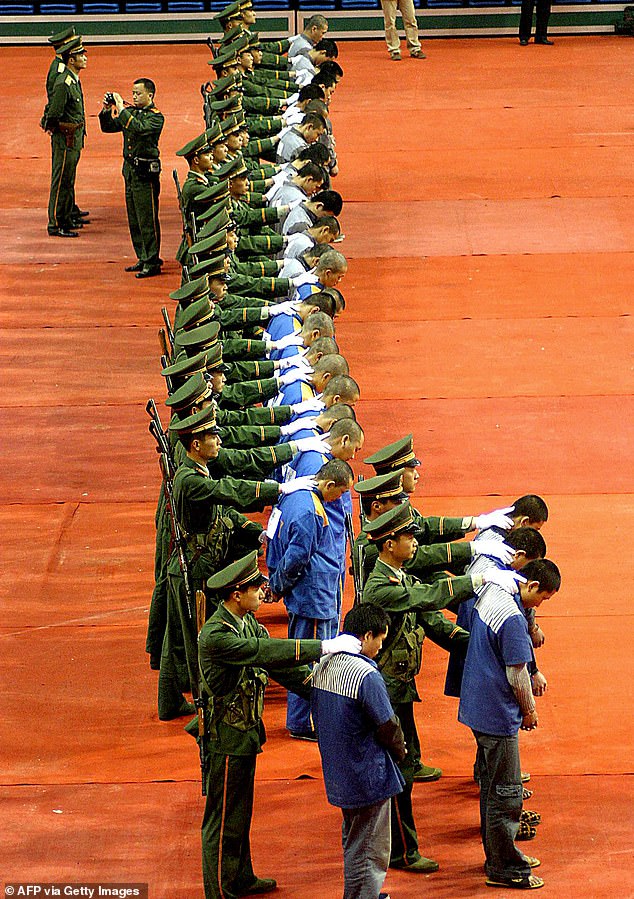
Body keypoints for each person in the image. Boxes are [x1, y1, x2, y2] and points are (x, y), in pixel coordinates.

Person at [362, 502, 525, 874]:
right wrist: (476, 581)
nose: (415, 543)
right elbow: (427, 597)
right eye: (409, 537)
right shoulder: (382, 586)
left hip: (398, 685)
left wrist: (475, 644)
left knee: (404, 765)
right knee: (397, 770)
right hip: (386, 688)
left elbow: (431, 619)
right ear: (389, 544)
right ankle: (401, 851)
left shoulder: (397, 574)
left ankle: (400, 846)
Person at [197, 551, 361, 899]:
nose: (262, 591)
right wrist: (322, 646)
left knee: (240, 813)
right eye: (255, 587)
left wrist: (321, 690)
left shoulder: (246, 623)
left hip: (243, 732)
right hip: (225, 737)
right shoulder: (218, 636)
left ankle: (240, 876)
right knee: (223, 819)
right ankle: (219, 891)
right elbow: (264, 654)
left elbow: (279, 667)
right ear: (235, 595)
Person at [458, 558, 561, 890]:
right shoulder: (514, 618)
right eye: (542, 598)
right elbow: (516, 673)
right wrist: (529, 710)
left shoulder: (496, 592)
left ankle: (495, 856)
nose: (539, 605)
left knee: (490, 789)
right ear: (531, 587)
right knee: (506, 793)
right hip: (497, 715)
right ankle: (505, 867)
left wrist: (534, 669)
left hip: (477, 705)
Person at [311, 603, 407, 899]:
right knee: (370, 849)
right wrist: (401, 750)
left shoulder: (325, 664)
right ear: (367, 636)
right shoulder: (366, 675)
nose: (381, 645)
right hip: (368, 774)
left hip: (340, 770)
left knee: (354, 840)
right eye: (380, 638)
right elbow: (387, 724)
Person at [267, 458, 355, 739]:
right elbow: (296, 558)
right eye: (339, 493)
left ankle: (306, 717)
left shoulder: (296, 497)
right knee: (312, 658)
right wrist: (278, 586)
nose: (339, 499)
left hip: (312, 593)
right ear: (328, 484)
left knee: (308, 654)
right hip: (313, 596)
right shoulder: (310, 512)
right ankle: (304, 721)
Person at [99, 78, 165, 278]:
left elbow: (137, 127)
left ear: (150, 95)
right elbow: (108, 126)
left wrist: (121, 106)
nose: (134, 96)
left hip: (145, 173)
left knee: (147, 219)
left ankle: (152, 260)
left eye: (138, 93)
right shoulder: (133, 113)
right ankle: (143, 256)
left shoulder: (156, 117)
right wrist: (106, 109)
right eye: (133, 93)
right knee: (134, 218)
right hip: (130, 171)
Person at [42, 35, 87, 238]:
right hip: (65, 138)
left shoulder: (72, 79)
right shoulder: (63, 82)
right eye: (80, 55)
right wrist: (54, 128)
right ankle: (55, 223)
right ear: (71, 59)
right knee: (60, 180)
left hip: (74, 137)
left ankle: (66, 216)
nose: (85, 58)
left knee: (68, 178)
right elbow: (54, 111)